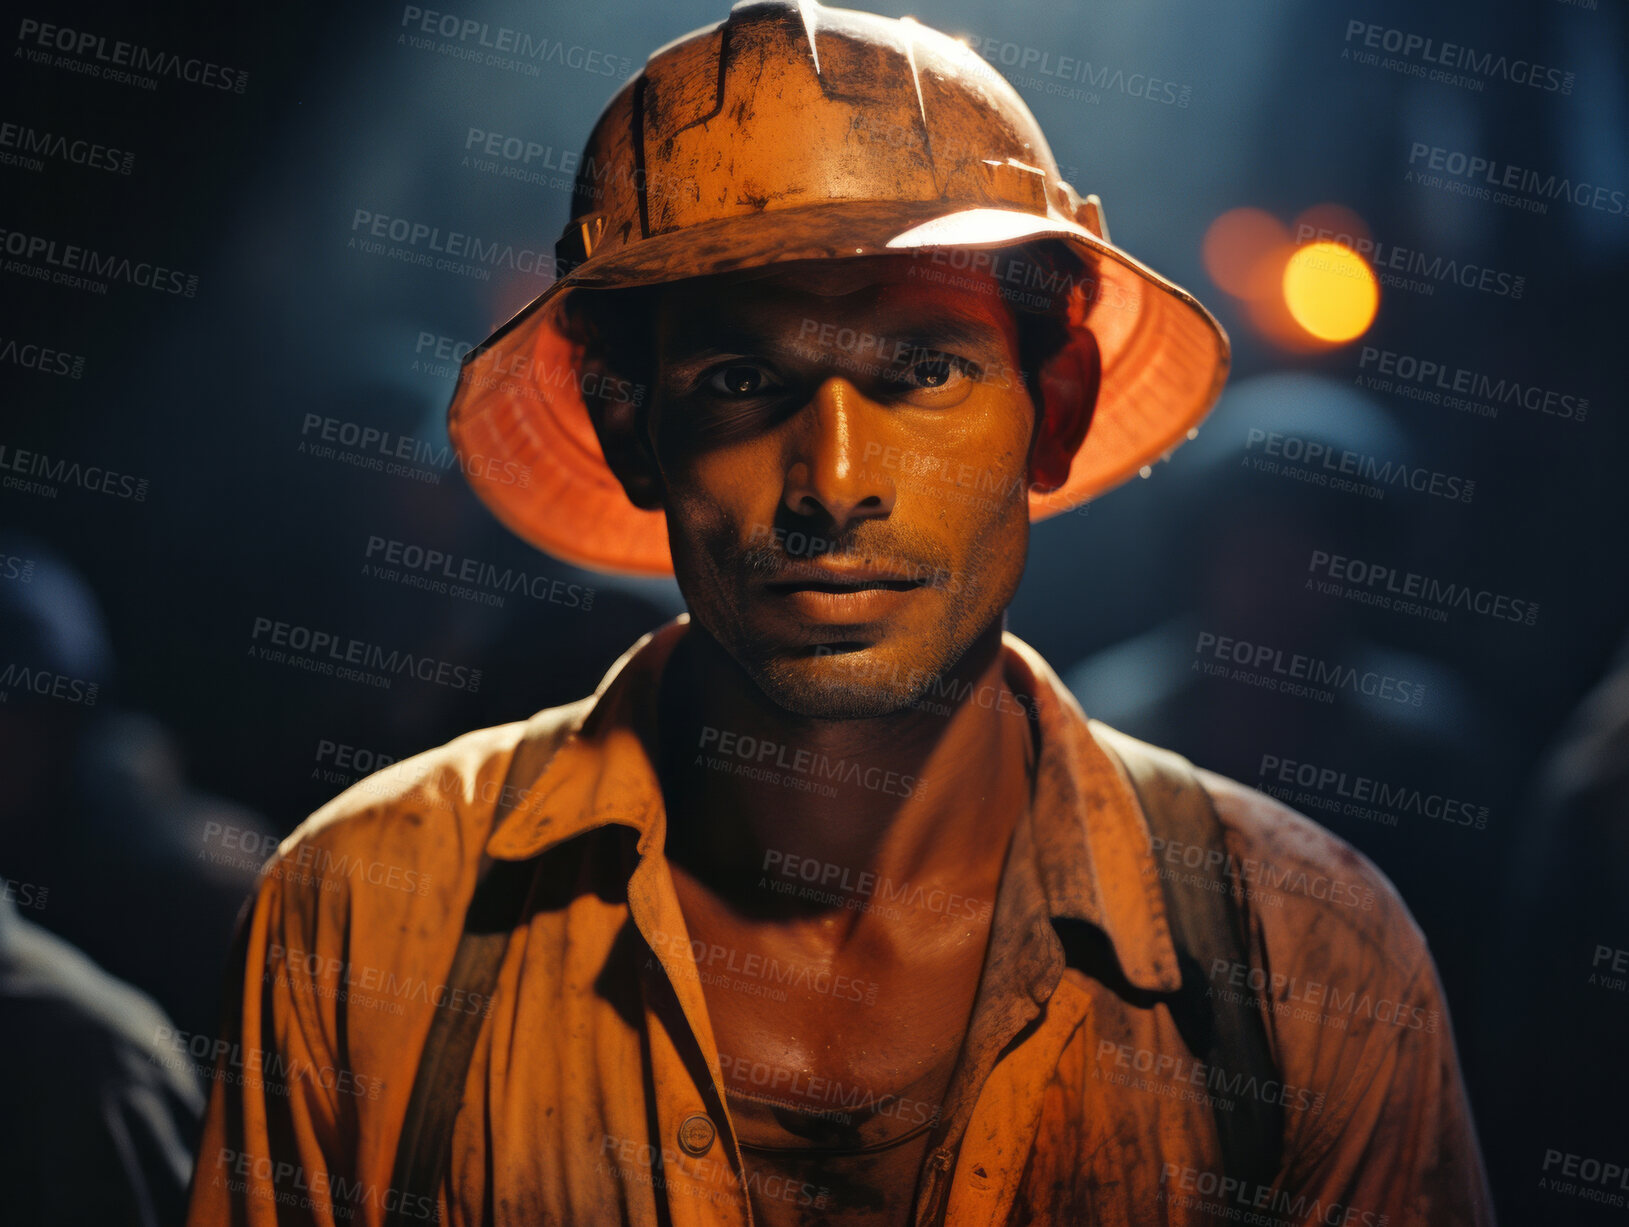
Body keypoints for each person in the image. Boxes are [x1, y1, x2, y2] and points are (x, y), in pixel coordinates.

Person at [185, 2, 1494, 1223]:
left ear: (1056, 406)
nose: (835, 484)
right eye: (743, 374)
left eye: (922, 369)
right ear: (630, 429)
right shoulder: (362, 915)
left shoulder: (1308, 967)